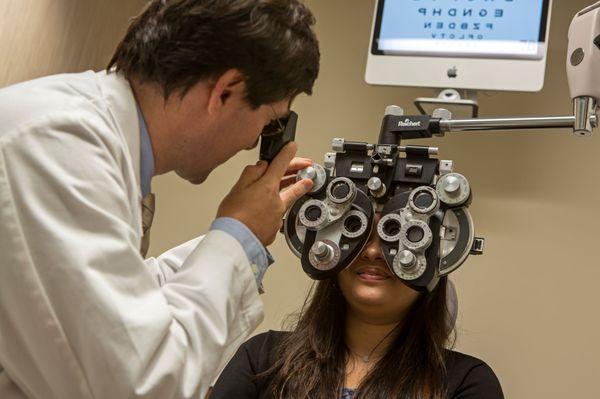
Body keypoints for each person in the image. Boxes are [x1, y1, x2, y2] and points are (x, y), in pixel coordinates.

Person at [0, 1, 319, 398]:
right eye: (270, 121)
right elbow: (136, 384)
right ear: (225, 92)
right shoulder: (56, 148)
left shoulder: (86, 138)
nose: (255, 142)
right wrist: (239, 237)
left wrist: (242, 235)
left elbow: (120, 304)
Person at [210, 215, 504, 399]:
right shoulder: (263, 359)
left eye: (397, 238)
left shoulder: (466, 382)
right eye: (358, 234)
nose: (374, 251)